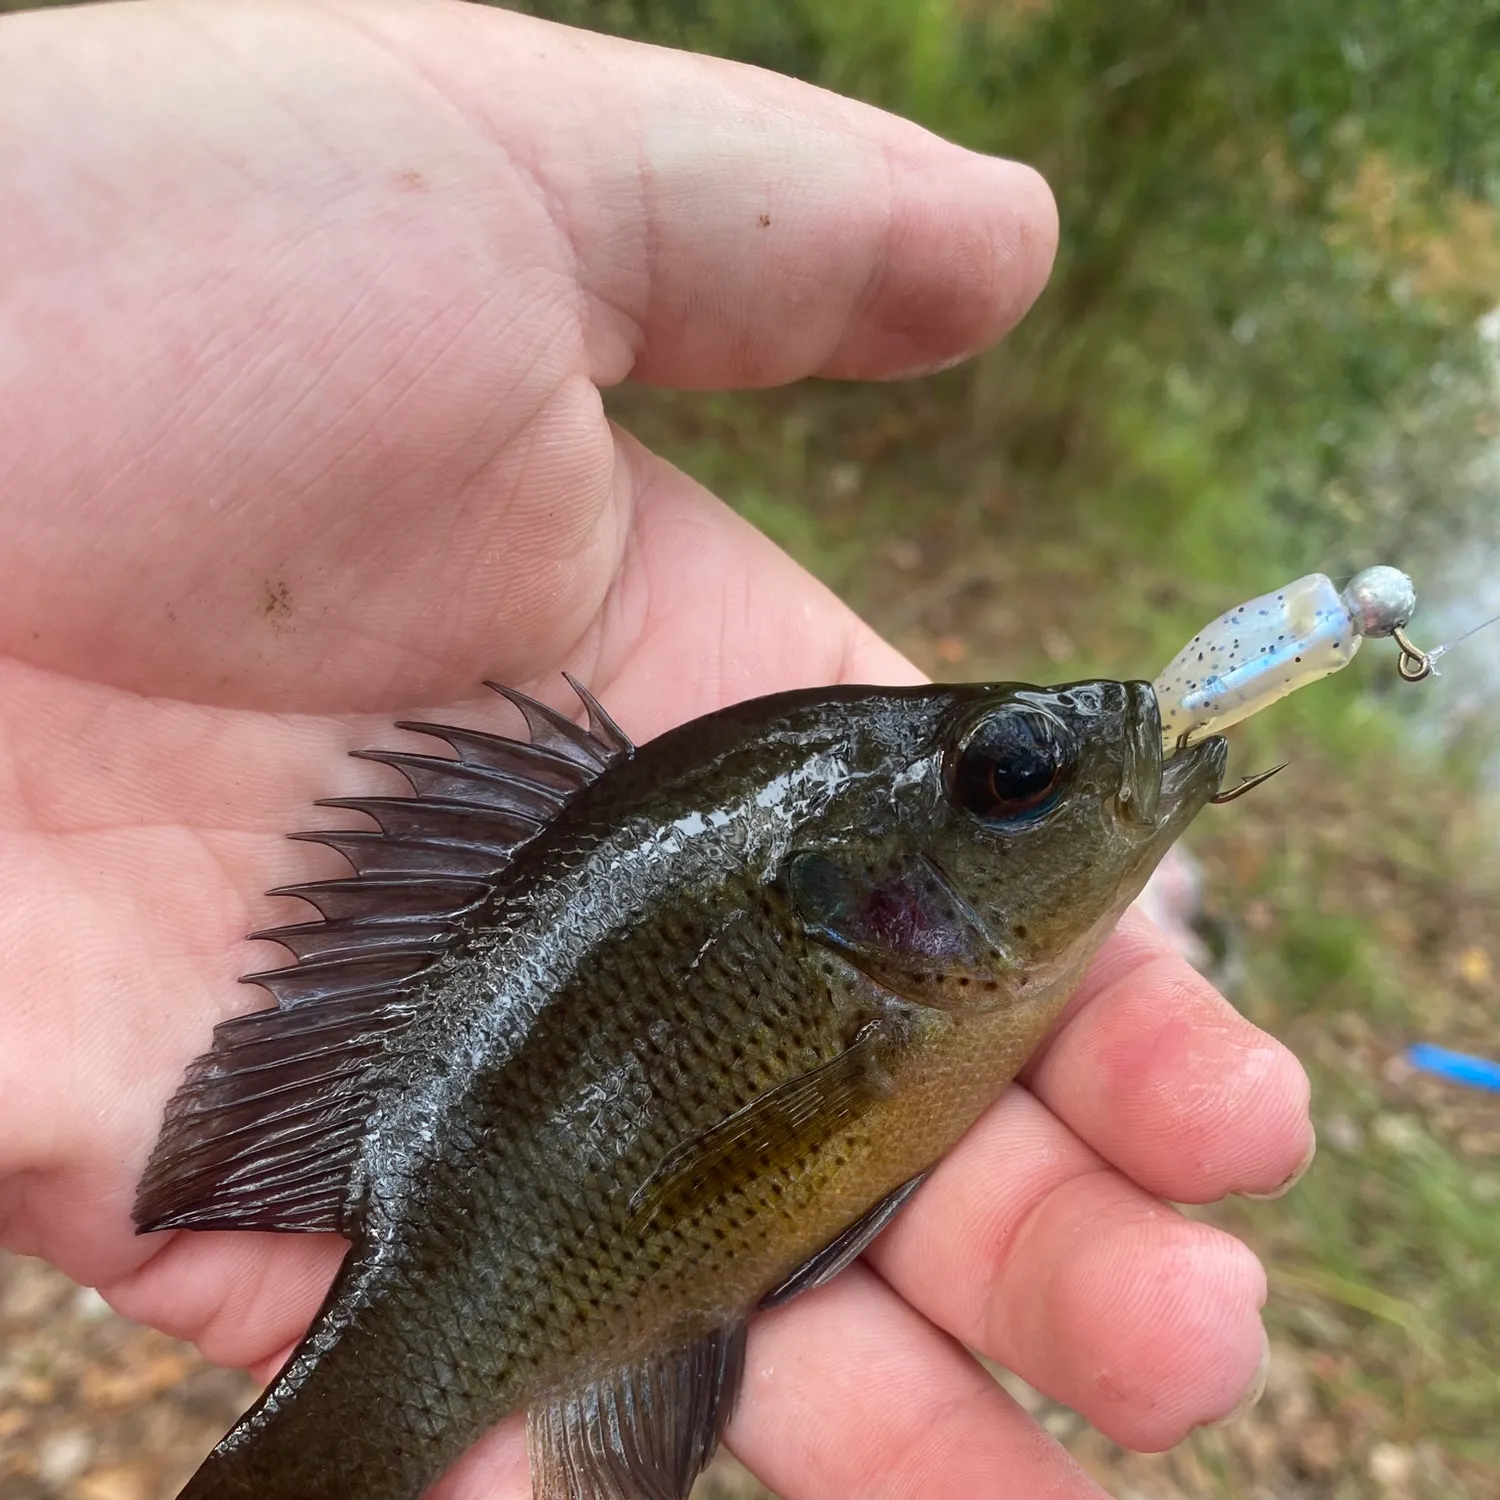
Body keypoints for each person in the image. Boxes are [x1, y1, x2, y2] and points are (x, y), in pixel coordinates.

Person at [0, 3, 1314, 1496]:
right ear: (867, 899)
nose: (1075, 772)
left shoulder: (900, 949)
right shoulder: (876, 952)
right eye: (1012, 778)